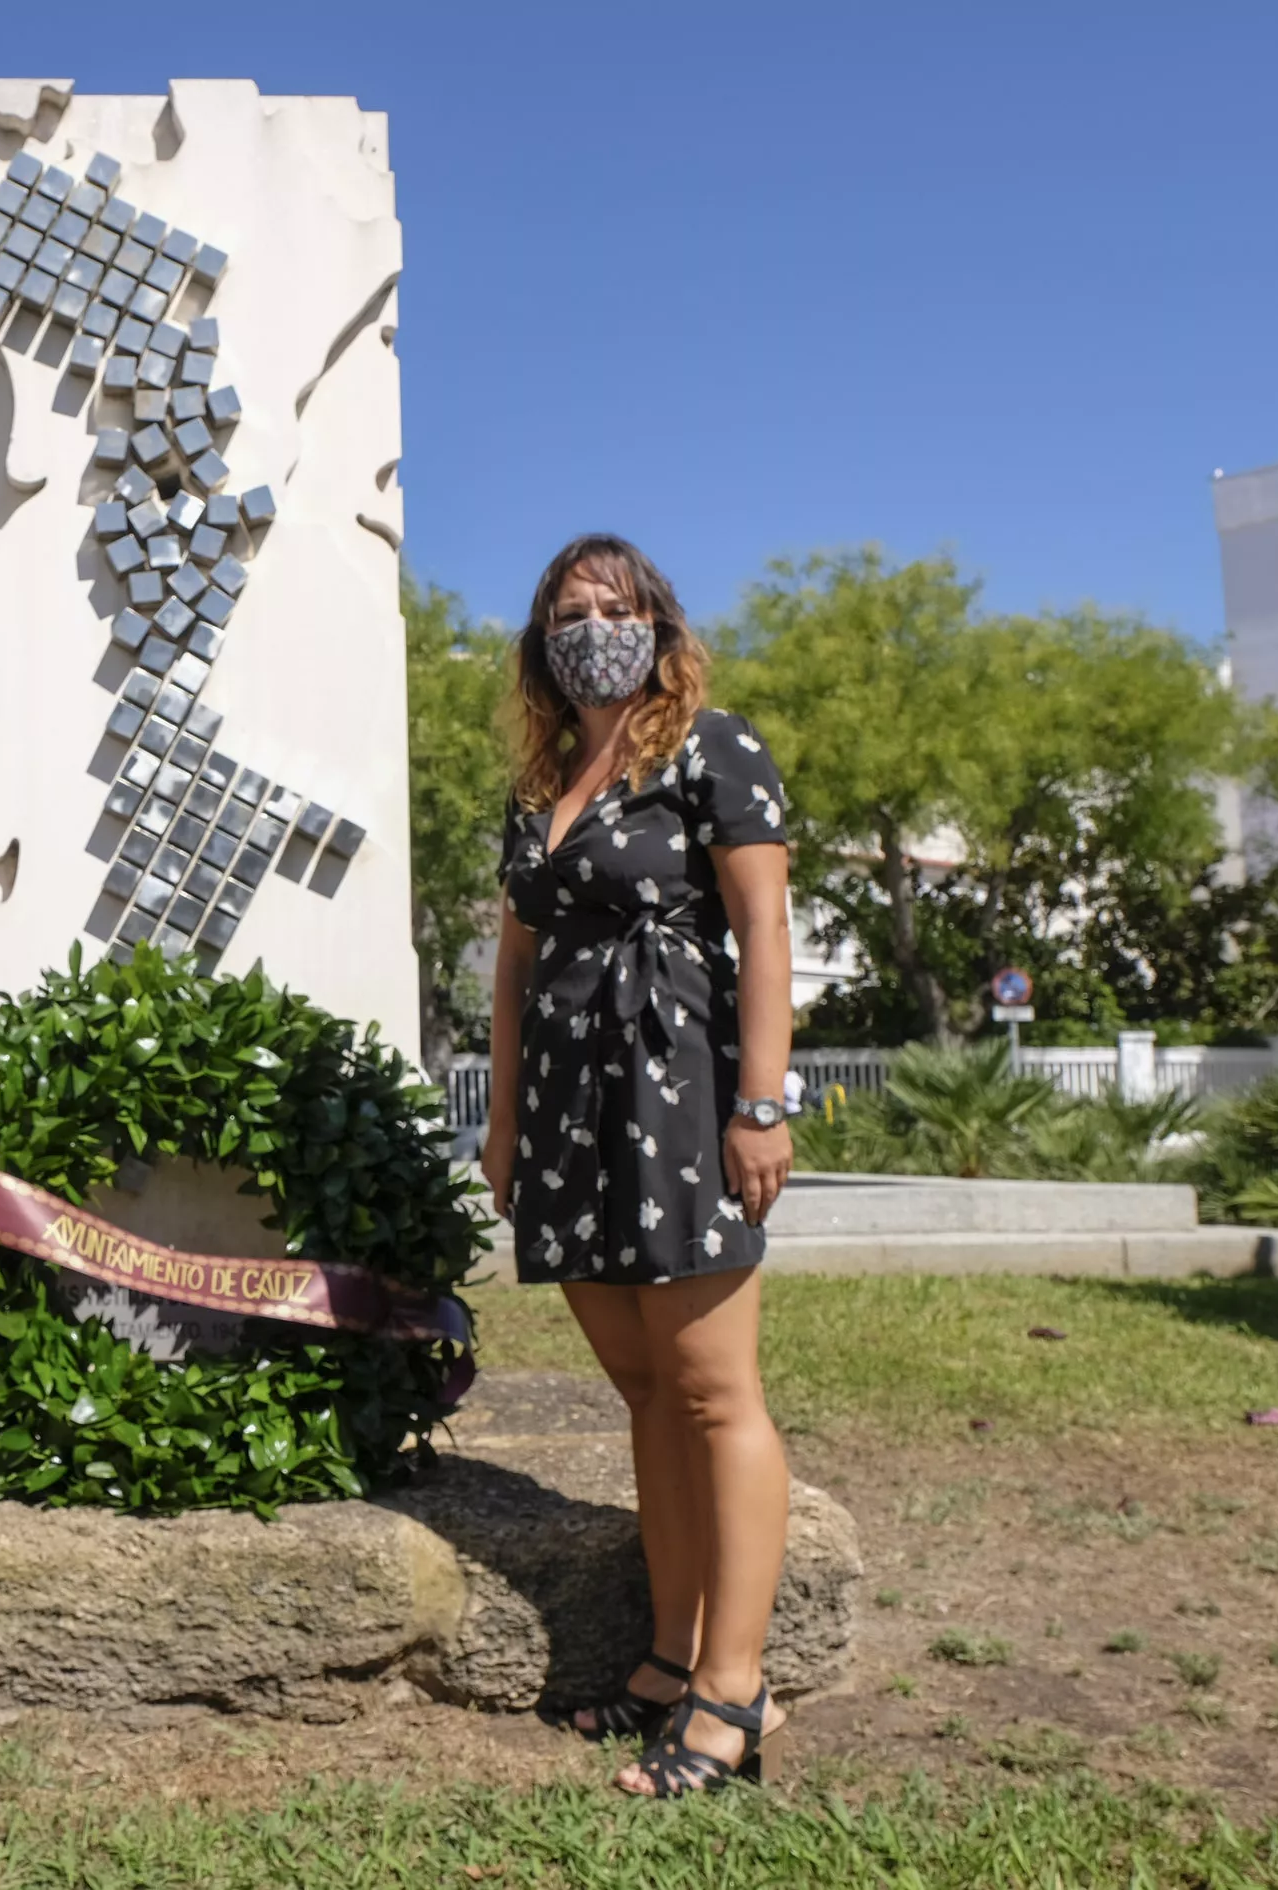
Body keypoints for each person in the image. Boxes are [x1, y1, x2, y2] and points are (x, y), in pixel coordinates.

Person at [479, 533, 797, 1800]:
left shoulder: (714, 749)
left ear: (658, 625)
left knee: (716, 1392)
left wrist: (763, 1103)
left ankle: (733, 1692)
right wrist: (502, 1126)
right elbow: (509, 968)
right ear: (542, 643)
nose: (591, 626)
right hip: (569, 1111)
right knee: (646, 1394)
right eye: (569, 611)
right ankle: (669, 1659)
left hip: (681, 1097)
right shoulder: (540, 782)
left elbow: (766, 926)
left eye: (615, 607)